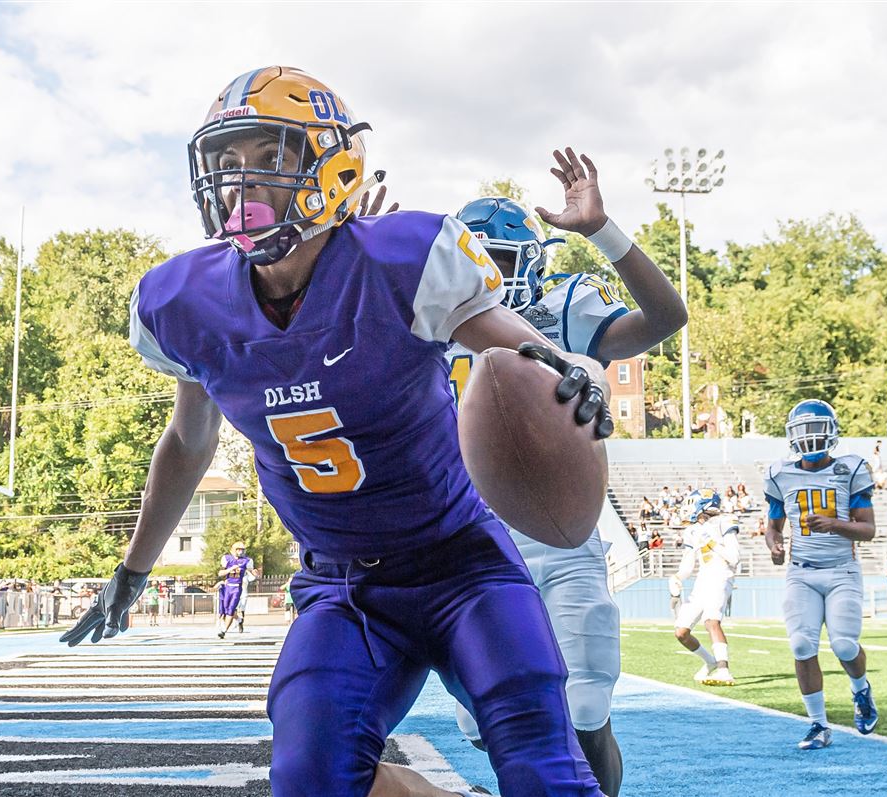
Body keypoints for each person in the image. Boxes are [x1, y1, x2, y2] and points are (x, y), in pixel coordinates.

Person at [59, 66, 677, 797]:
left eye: (267, 156)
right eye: (226, 161)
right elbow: (189, 442)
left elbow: (518, 349)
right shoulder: (185, 302)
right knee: (310, 780)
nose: (239, 181)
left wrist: (568, 370)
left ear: (334, 166)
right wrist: (133, 569)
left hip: (462, 565)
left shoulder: (401, 259)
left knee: (544, 768)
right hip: (342, 586)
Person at [438, 170, 681, 796]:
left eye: (500, 261)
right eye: (477, 261)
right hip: (471, 539)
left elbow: (666, 317)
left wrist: (602, 231)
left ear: (531, 262)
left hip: (563, 532)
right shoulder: (427, 319)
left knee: (586, 704)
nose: (489, 277)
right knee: (485, 720)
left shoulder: (563, 308)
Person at [764, 399, 878, 751]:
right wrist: (774, 545)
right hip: (801, 572)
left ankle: (861, 689)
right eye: (805, 430)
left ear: (831, 432)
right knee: (801, 645)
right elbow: (773, 526)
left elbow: (868, 530)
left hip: (842, 570)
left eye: (817, 429)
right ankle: (818, 724)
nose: (811, 437)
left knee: (844, 645)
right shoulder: (780, 473)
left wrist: (834, 525)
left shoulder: (850, 468)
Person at [672, 492, 740, 686]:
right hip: (702, 579)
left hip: (721, 574)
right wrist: (677, 577)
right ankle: (710, 662)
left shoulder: (724, 521)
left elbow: (734, 557)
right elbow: (688, 565)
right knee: (681, 632)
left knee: (711, 621)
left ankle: (724, 670)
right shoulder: (692, 531)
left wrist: (711, 542)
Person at [216, 542, 252, 639]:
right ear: (233, 550)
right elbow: (220, 573)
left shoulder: (246, 560)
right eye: (238, 549)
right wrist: (230, 569)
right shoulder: (227, 558)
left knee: (231, 609)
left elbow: (252, 572)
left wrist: (254, 573)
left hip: (237, 587)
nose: (241, 551)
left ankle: (223, 631)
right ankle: (239, 619)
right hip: (227, 587)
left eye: (242, 549)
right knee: (225, 608)